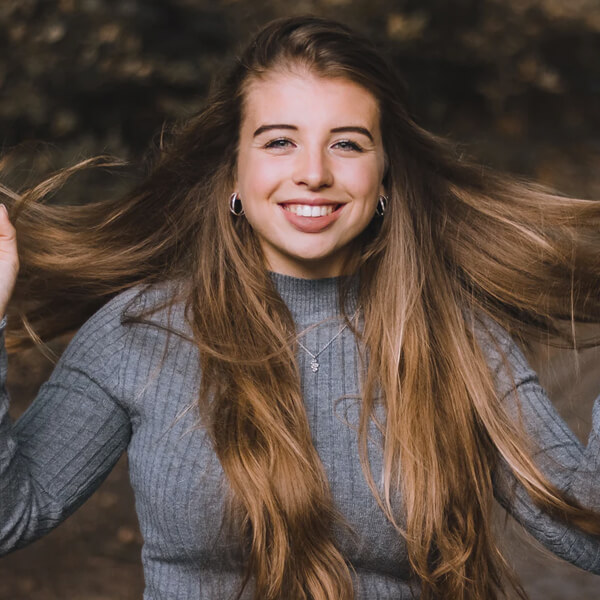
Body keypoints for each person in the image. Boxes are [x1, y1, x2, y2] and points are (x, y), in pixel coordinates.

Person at [0, 14, 598, 600]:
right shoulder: (139, 330)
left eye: (347, 144)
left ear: (385, 176)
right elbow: (9, 518)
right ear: (234, 172)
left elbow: (588, 535)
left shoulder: (459, 338)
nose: (313, 173)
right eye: (280, 142)